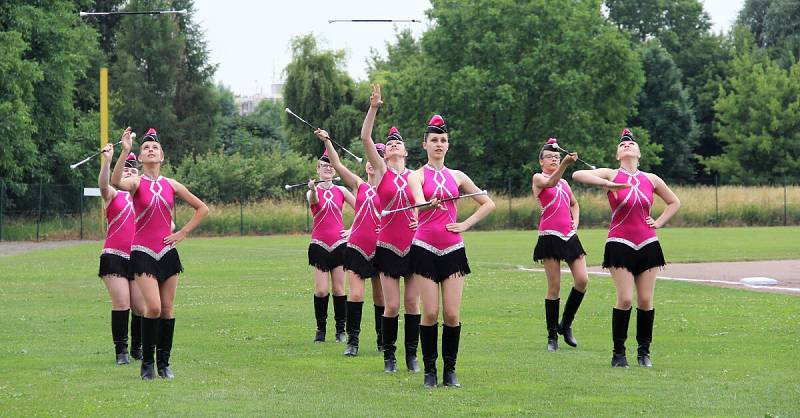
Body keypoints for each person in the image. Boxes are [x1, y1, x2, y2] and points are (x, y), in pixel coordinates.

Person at [572, 128, 680, 368]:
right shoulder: (611, 173)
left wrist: (659, 222)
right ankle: (619, 353)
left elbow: (674, 202)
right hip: (620, 243)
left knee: (645, 299)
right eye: (622, 145)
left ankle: (644, 353)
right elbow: (578, 174)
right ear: (617, 154)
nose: (627, 145)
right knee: (625, 298)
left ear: (639, 153)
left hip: (649, 244)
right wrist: (606, 182)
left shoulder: (651, 178)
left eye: (631, 144)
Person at [112, 128, 209, 379]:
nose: (150, 150)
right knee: (152, 307)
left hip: (167, 252)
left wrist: (183, 232)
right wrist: (124, 152)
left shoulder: (171, 184)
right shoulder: (136, 183)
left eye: (155, 148)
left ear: (162, 157)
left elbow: (202, 208)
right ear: (141, 158)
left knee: (167, 309)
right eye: (145, 148)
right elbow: (115, 182)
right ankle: (147, 364)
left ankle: (164, 364)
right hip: (142, 252)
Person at [408, 114, 495, 388]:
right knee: (430, 313)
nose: (439, 144)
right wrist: (428, 206)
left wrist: (466, 224)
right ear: (425, 144)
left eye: (443, 140)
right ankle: (430, 371)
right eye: (434, 140)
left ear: (448, 145)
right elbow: (419, 203)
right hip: (424, 248)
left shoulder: (457, 176)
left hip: (453, 249)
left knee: (453, 315)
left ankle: (450, 371)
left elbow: (487, 203)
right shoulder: (416, 175)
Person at [360, 84, 421, 373]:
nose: (394, 144)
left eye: (399, 143)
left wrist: (421, 217)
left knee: (412, 305)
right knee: (392, 306)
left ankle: (412, 356)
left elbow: (428, 207)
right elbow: (365, 137)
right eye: (390, 143)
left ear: (406, 152)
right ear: (384, 155)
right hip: (386, 246)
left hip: (413, 245)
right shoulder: (382, 172)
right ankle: (389, 356)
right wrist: (374, 108)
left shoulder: (416, 177)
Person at [314, 129, 385, 356]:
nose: (373, 164)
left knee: (381, 297)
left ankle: (382, 340)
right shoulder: (358, 185)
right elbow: (336, 163)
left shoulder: (391, 189)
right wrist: (327, 141)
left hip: (381, 249)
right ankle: (352, 342)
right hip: (357, 248)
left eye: (378, 158)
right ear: (366, 165)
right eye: (371, 160)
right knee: (355, 294)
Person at [531, 139, 590, 352]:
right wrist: (565, 164)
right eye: (549, 157)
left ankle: (566, 324)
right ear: (541, 161)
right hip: (549, 236)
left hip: (569, 235)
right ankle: (551, 335)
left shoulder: (565, 184)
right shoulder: (539, 178)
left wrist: (575, 222)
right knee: (554, 286)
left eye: (557, 157)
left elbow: (575, 204)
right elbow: (550, 184)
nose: (554, 160)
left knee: (582, 280)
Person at [98, 140, 145, 364]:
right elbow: (104, 186)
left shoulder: (142, 198)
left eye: (133, 169)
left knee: (141, 307)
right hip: (114, 256)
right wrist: (107, 162)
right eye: (125, 168)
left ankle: (138, 349)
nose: (129, 172)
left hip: (137, 257)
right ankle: (121, 352)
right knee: (122, 303)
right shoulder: (114, 195)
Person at [307, 150, 356, 344]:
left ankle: (340, 330)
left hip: (339, 245)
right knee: (320, 290)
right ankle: (320, 329)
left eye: (330, 165)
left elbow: (362, 209)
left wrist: (351, 230)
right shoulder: (312, 191)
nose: (328, 168)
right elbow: (314, 202)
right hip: (319, 245)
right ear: (318, 169)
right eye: (323, 165)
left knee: (338, 289)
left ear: (335, 170)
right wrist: (313, 189)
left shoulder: (342, 191)